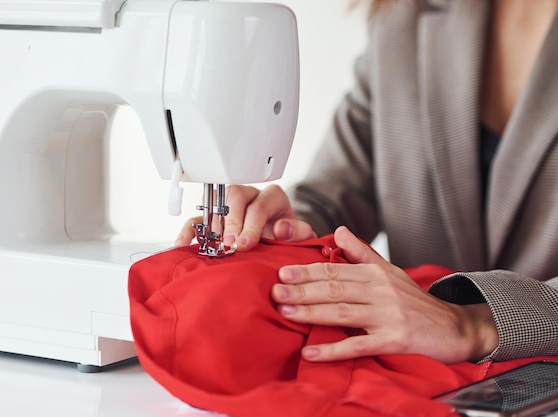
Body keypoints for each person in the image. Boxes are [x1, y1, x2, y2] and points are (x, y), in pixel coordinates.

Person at [175, 0, 558, 365]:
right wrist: (290, 232)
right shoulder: (406, 13)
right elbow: (339, 190)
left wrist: (476, 322)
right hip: (426, 383)